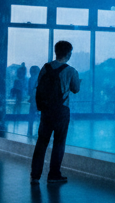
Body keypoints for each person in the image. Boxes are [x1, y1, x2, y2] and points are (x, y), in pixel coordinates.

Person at [30, 40, 80, 184]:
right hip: (62, 111)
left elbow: (39, 87)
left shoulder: (45, 68)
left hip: (46, 111)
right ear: (68, 54)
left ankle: (35, 175)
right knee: (59, 143)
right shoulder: (71, 71)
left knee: (41, 142)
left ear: (56, 52)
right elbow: (76, 89)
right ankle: (54, 174)